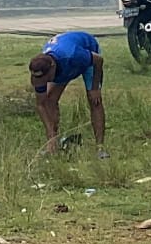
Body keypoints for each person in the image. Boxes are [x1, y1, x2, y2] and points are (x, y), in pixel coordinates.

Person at [29, 31, 107, 159]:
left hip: (87, 57)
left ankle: (100, 147)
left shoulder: (73, 55)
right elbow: (41, 104)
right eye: (39, 78)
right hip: (64, 68)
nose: (43, 81)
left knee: (95, 100)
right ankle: (53, 144)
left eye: (46, 77)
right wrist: (50, 133)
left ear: (52, 67)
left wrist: (94, 88)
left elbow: (98, 60)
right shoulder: (38, 75)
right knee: (49, 100)